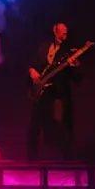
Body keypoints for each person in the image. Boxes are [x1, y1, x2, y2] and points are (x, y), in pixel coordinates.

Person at [27, 22, 81, 160]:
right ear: (55, 30)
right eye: (63, 29)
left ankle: (62, 160)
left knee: (58, 125)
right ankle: (31, 161)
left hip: (58, 94)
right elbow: (33, 64)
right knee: (34, 126)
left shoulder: (69, 52)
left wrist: (75, 67)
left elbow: (78, 77)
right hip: (42, 93)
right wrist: (32, 71)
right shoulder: (44, 47)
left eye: (66, 31)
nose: (65, 32)